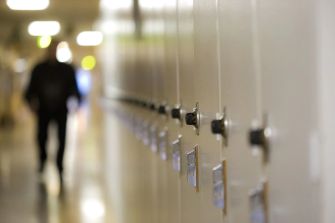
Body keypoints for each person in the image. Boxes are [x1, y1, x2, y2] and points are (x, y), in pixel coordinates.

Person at [24, 40, 81, 182]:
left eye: (56, 49)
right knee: (41, 137)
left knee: (62, 139)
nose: (53, 52)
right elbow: (30, 89)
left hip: (61, 109)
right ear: (47, 51)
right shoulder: (39, 68)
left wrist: (75, 102)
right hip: (43, 110)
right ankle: (42, 162)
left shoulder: (67, 69)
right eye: (51, 49)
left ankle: (60, 166)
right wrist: (31, 102)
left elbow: (74, 89)